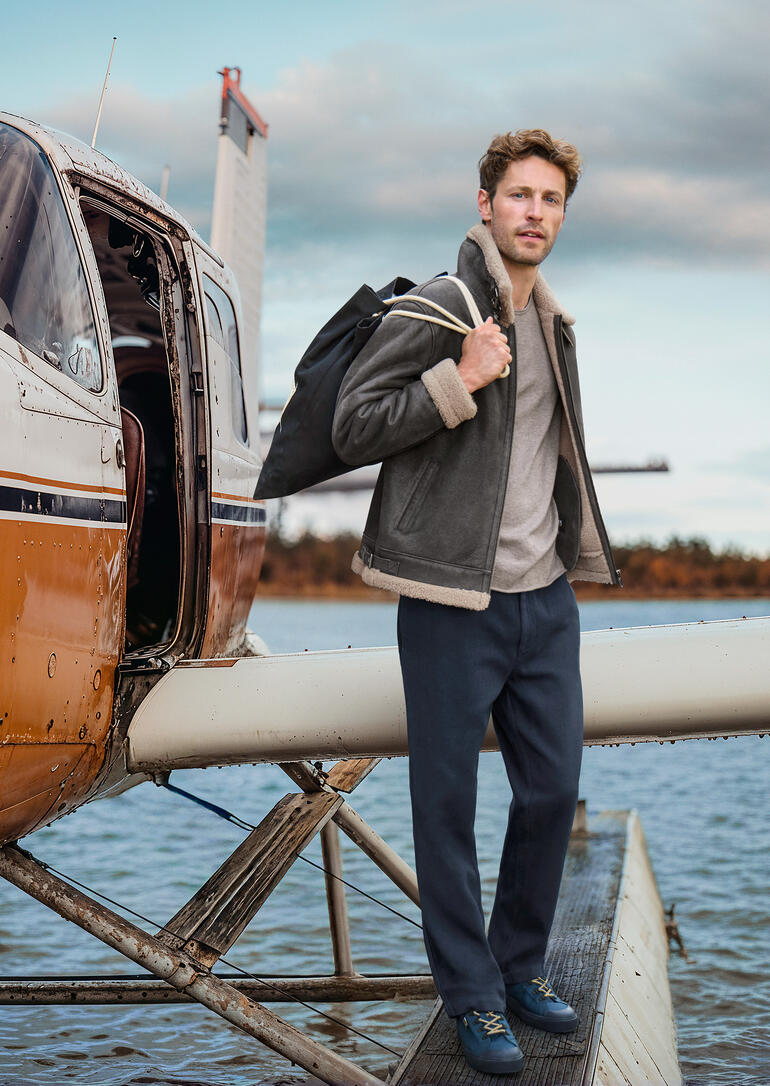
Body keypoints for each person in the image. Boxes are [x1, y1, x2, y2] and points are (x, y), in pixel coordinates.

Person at [332, 129, 619, 1076]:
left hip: (545, 602)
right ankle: (472, 997)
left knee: (550, 792)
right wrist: (458, 380)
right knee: (445, 807)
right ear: (486, 203)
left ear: (561, 216)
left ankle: (518, 966)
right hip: (451, 602)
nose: (534, 212)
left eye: (551, 199)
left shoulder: (557, 325)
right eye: (519, 195)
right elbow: (354, 421)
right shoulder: (442, 306)